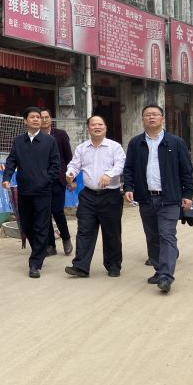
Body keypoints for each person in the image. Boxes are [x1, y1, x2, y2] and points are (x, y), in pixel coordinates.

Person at [123, 104, 193, 294]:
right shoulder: (135, 143)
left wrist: (188, 194)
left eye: (155, 114)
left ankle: (166, 276)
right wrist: (128, 187)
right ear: (143, 119)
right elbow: (128, 168)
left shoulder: (175, 142)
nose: (151, 117)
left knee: (167, 235)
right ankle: (158, 269)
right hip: (146, 197)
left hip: (169, 198)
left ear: (162, 118)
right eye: (147, 115)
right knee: (152, 236)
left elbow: (186, 170)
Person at [63, 115, 126, 278]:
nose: (97, 127)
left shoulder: (115, 147)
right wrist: (70, 174)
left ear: (105, 128)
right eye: (93, 125)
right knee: (84, 230)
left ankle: (113, 265)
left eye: (100, 124)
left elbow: (120, 165)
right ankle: (81, 266)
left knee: (111, 232)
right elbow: (74, 165)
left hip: (110, 196)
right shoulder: (82, 148)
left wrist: (109, 174)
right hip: (88, 196)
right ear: (88, 128)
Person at [2, 107, 61, 278]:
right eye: (32, 117)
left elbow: (55, 165)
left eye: (38, 117)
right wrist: (7, 177)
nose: (36, 119)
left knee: (41, 226)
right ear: (25, 121)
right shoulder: (18, 141)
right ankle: (39, 249)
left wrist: (46, 180)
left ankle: (35, 264)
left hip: (43, 191)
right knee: (27, 225)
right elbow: (11, 160)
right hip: (25, 191)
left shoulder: (50, 141)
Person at [40, 109, 73, 256]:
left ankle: (66, 238)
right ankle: (50, 245)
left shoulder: (60, 134)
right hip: (41, 181)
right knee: (45, 212)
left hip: (58, 179)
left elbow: (69, 157)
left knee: (57, 210)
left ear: (51, 119)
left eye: (46, 117)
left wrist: (71, 179)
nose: (44, 120)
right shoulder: (36, 137)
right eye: (41, 117)